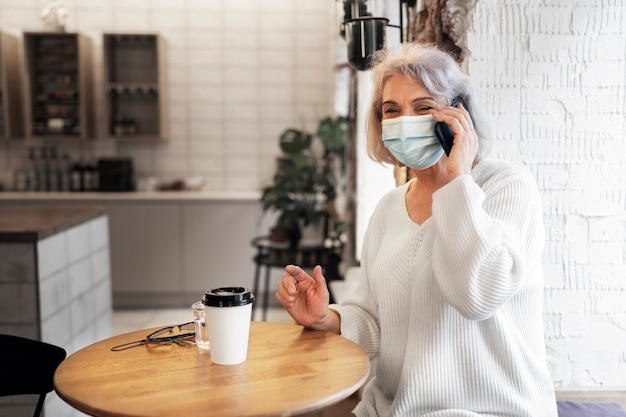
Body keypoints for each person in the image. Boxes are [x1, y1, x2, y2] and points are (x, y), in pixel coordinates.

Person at [275, 42, 558, 417]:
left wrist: (457, 179)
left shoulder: (507, 186)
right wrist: (326, 318)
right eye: (392, 110)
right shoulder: (389, 209)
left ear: (460, 116)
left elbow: (477, 298)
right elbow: (376, 320)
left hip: (492, 410)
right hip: (392, 409)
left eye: (423, 107)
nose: (404, 121)